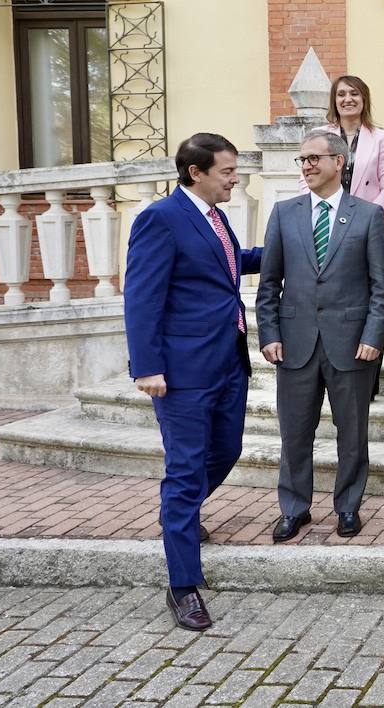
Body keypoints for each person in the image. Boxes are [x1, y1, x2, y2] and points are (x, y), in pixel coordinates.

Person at [124, 133, 261, 631]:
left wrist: (289, 247)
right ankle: (183, 586)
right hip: (181, 372)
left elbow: (228, 264)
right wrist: (146, 366)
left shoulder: (215, 216)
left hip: (228, 361)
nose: (234, 179)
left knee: (225, 451)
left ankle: (177, 519)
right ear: (195, 172)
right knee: (184, 474)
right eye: (226, 171)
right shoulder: (159, 218)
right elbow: (141, 297)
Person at [256, 130, 384, 543]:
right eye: (303, 160)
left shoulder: (368, 215)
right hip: (294, 344)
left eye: (316, 157)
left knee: (352, 435)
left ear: (340, 162)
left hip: (352, 345)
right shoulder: (283, 213)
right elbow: (269, 283)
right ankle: (294, 509)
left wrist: (374, 335)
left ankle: (348, 508)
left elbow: (381, 287)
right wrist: (269, 333)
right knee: (294, 433)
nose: (308, 165)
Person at [303, 74, 384, 215]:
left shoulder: (381, 138)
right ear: (334, 101)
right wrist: (321, 209)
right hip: (325, 218)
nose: (348, 99)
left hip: (367, 220)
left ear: (364, 99)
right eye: (341, 94)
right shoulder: (318, 135)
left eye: (354, 94)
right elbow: (306, 180)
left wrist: (370, 215)